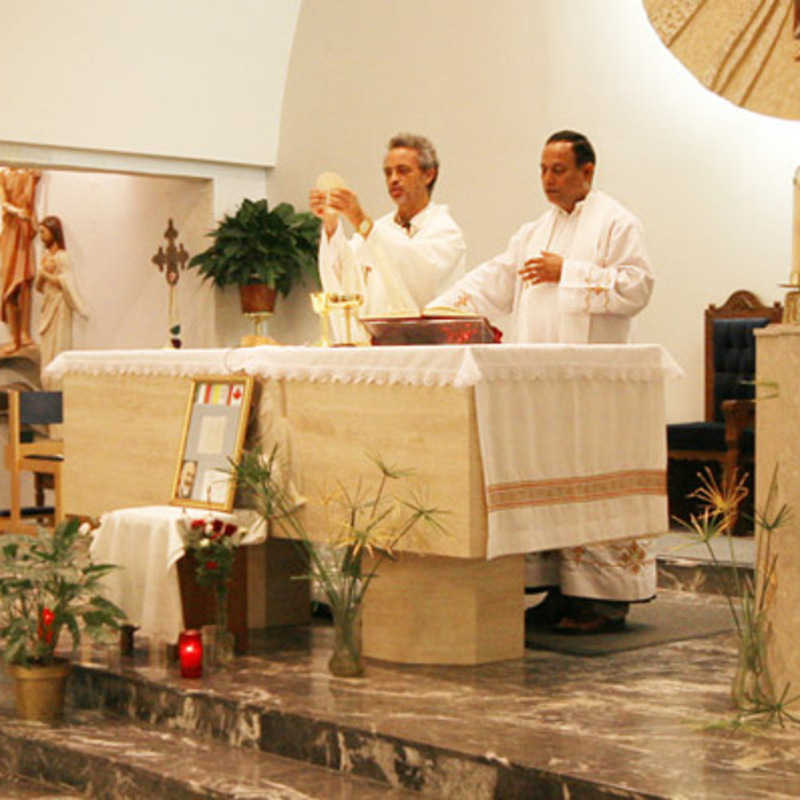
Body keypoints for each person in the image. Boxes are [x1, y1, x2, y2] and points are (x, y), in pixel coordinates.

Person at [430, 130, 655, 632]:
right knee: (549, 483)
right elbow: (499, 276)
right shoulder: (536, 230)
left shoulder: (617, 223)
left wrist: (568, 272)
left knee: (591, 484)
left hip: (592, 386)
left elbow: (638, 288)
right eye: (543, 170)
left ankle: (603, 599)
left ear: (587, 171)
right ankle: (558, 588)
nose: (548, 180)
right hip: (542, 388)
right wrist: (442, 306)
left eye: (559, 169)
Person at [309, 133, 466, 330]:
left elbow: (417, 272)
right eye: (388, 173)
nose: (393, 179)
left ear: (429, 175)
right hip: (377, 345)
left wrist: (359, 219)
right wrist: (331, 222)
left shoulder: (445, 231)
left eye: (403, 171)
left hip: (426, 345)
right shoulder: (379, 229)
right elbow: (346, 273)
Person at [35, 215, 88, 370]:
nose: (41, 237)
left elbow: (66, 282)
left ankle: (57, 384)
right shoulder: (45, 257)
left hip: (60, 307)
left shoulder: (62, 257)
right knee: (46, 348)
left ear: (54, 233)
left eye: (43, 233)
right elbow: (39, 288)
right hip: (48, 306)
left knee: (58, 346)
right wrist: (41, 274)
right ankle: (47, 384)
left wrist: (46, 275)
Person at [0, 167, 41, 355]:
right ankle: (14, 336)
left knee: (25, 281)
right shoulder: (3, 173)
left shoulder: (28, 172)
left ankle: (24, 334)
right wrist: (17, 212)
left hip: (23, 230)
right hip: (11, 229)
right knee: (9, 284)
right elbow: (3, 202)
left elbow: (29, 202)